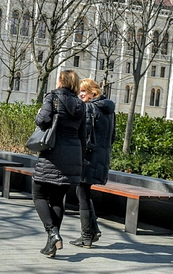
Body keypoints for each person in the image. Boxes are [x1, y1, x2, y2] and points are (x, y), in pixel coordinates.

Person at [32, 69, 86, 258]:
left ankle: (53, 233)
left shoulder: (52, 97)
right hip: (73, 155)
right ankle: (51, 246)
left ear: (61, 81)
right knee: (57, 199)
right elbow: (82, 134)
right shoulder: (81, 104)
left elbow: (43, 120)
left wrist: (39, 114)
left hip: (53, 152)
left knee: (38, 194)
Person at [69, 78, 116, 248]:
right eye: (79, 91)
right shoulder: (108, 109)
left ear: (92, 93)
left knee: (82, 194)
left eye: (83, 91)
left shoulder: (89, 108)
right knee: (84, 192)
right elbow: (113, 137)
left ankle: (86, 236)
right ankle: (93, 231)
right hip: (101, 157)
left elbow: (84, 135)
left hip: (88, 157)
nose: (80, 94)